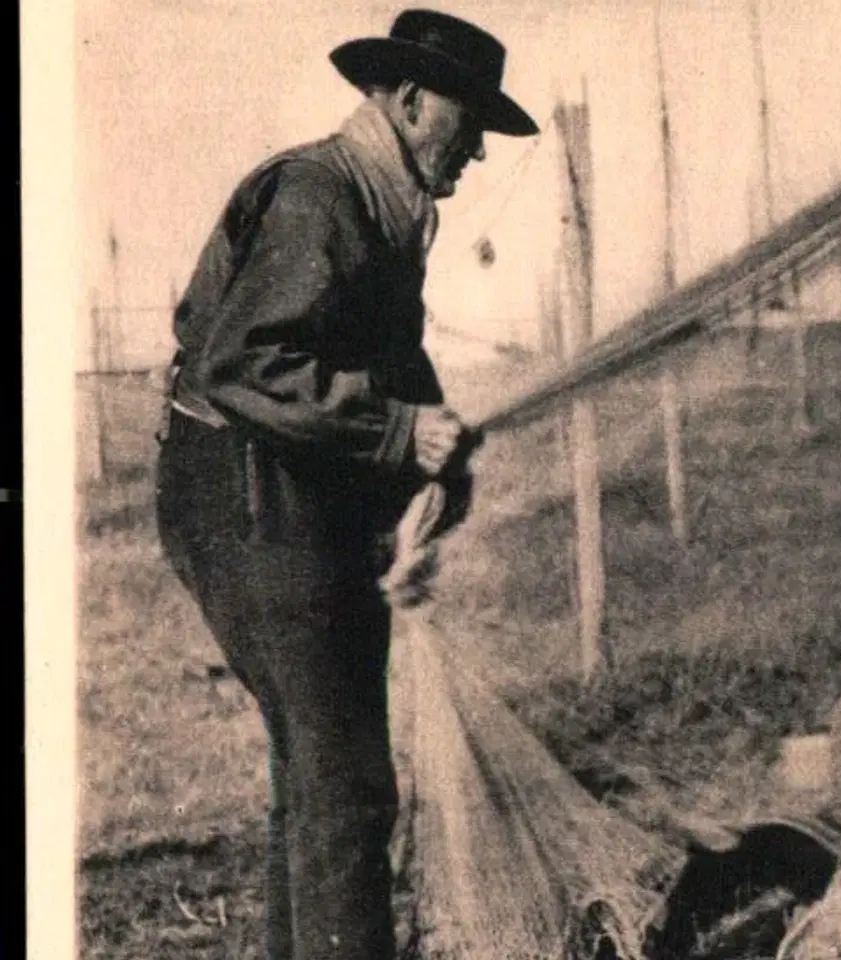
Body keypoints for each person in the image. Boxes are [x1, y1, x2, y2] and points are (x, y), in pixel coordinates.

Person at [153, 11, 538, 960]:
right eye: (470, 121)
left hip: (276, 497)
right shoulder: (321, 196)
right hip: (251, 501)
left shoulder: (381, 203)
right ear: (410, 102)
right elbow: (242, 366)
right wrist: (400, 433)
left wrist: (436, 459)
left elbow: (386, 359)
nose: (479, 150)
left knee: (318, 780)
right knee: (348, 787)